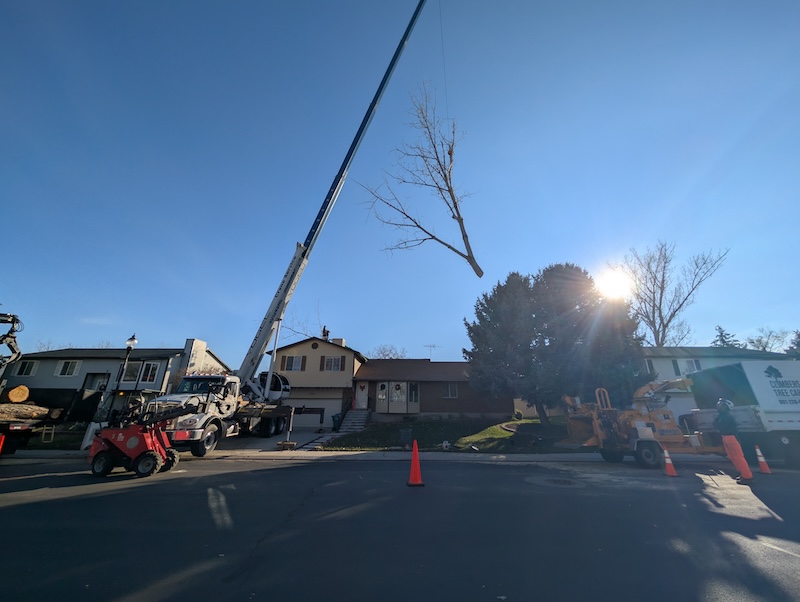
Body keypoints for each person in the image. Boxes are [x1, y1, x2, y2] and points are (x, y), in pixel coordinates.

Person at [713, 398, 753, 485]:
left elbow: (719, 426)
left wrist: (717, 422)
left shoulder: (727, 416)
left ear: (726, 407)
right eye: (718, 405)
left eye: (721, 406)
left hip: (731, 437)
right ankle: (742, 473)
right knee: (732, 457)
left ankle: (747, 476)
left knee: (738, 457)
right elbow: (716, 424)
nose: (719, 407)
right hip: (725, 437)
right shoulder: (722, 415)